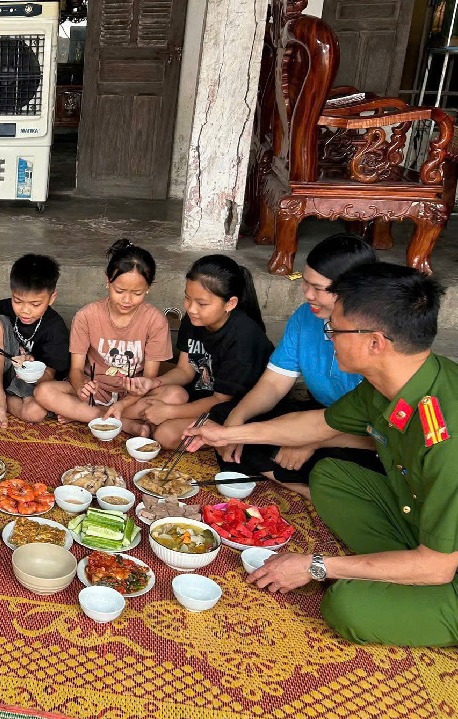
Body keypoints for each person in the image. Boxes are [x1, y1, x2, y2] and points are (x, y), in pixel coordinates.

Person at [185, 263, 458, 647]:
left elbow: (440, 565)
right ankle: (397, 563)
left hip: (447, 565)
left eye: (335, 329)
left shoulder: (446, 435)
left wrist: (315, 566)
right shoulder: (398, 381)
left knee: (347, 605)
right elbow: (319, 426)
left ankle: (405, 572)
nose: (328, 338)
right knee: (331, 475)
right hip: (420, 519)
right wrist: (227, 432)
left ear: (375, 342)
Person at [211, 235, 382, 497]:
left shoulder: (376, 339)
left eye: (319, 288)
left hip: (358, 436)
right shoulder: (305, 317)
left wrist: (311, 440)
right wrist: (236, 423)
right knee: (227, 418)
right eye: (305, 282)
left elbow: (381, 437)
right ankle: (305, 485)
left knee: (358, 468)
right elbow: (273, 383)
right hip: (318, 415)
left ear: (353, 290)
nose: (308, 294)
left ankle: (311, 489)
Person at [121, 254, 273, 448]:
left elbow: (220, 400)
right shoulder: (194, 319)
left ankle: (139, 423)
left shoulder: (243, 337)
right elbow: (184, 371)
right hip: (199, 397)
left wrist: (169, 412)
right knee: (169, 393)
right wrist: (153, 382)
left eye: (202, 303)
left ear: (230, 303)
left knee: (166, 434)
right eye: (187, 298)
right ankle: (120, 417)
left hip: (233, 409)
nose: (191, 308)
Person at [34, 240, 173, 435]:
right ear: (108, 281)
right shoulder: (87, 316)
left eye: (137, 293)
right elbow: (75, 369)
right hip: (95, 392)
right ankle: (125, 423)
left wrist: (123, 404)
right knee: (43, 392)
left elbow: (149, 379)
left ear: (148, 288)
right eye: (119, 291)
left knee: (177, 395)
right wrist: (80, 385)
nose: (126, 300)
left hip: (133, 396)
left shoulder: (155, 321)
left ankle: (90, 415)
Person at [0, 253, 71, 428]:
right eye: (17, 301)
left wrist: (28, 368)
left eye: (35, 304)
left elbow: (50, 376)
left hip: (28, 381)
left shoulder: (54, 326)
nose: (25, 311)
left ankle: (3, 393)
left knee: (34, 413)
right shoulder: (0, 308)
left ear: (52, 298)